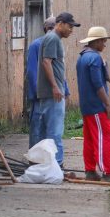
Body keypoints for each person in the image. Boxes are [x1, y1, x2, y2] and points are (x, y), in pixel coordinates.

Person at [32, 12, 79, 167]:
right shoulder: (53, 38)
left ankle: (46, 165)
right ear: (60, 24)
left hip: (50, 93)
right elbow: (46, 62)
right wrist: (55, 87)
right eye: (70, 26)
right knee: (55, 132)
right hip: (53, 94)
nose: (71, 30)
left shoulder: (51, 38)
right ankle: (57, 166)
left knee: (47, 133)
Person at [76, 26, 110, 181]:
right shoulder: (94, 58)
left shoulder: (82, 57)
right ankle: (107, 172)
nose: (105, 44)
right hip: (96, 106)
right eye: (103, 41)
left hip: (86, 106)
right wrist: (108, 105)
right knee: (106, 136)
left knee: (89, 138)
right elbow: (97, 84)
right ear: (97, 41)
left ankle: (90, 171)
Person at [27, 16, 71, 148]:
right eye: (50, 28)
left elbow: (58, 70)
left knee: (50, 129)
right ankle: (35, 155)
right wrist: (37, 93)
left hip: (53, 92)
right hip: (41, 94)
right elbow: (33, 71)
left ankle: (46, 155)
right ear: (46, 29)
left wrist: (65, 89)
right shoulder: (37, 44)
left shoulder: (55, 41)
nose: (52, 30)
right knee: (38, 129)